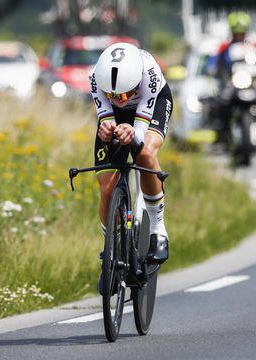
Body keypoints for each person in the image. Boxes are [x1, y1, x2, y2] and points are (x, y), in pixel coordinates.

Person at [89, 42, 173, 292]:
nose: (122, 100)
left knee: (145, 152)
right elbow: (106, 116)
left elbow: (138, 134)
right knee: (106, 187)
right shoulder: (96, 77)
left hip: (152, 104)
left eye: (126, 94)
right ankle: (111, 248)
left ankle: (158, 230)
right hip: (116, 116)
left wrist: (132, 134)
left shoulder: (150, 73)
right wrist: (106, 127)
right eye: (115, 95)